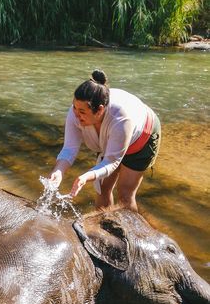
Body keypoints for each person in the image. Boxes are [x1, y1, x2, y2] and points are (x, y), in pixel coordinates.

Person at [49, 69, 161, 210]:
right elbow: (69, 149)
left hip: (142, 136)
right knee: (102, 188)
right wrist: (58, 171)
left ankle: (131, 231)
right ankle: (103, 229)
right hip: (110, 136)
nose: (76, 115)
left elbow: (111, 162)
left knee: (125, 194)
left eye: (82, 112)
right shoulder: (76, 112)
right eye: (75, 108)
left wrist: (86, 177)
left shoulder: (121, 119)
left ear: (100, 110)